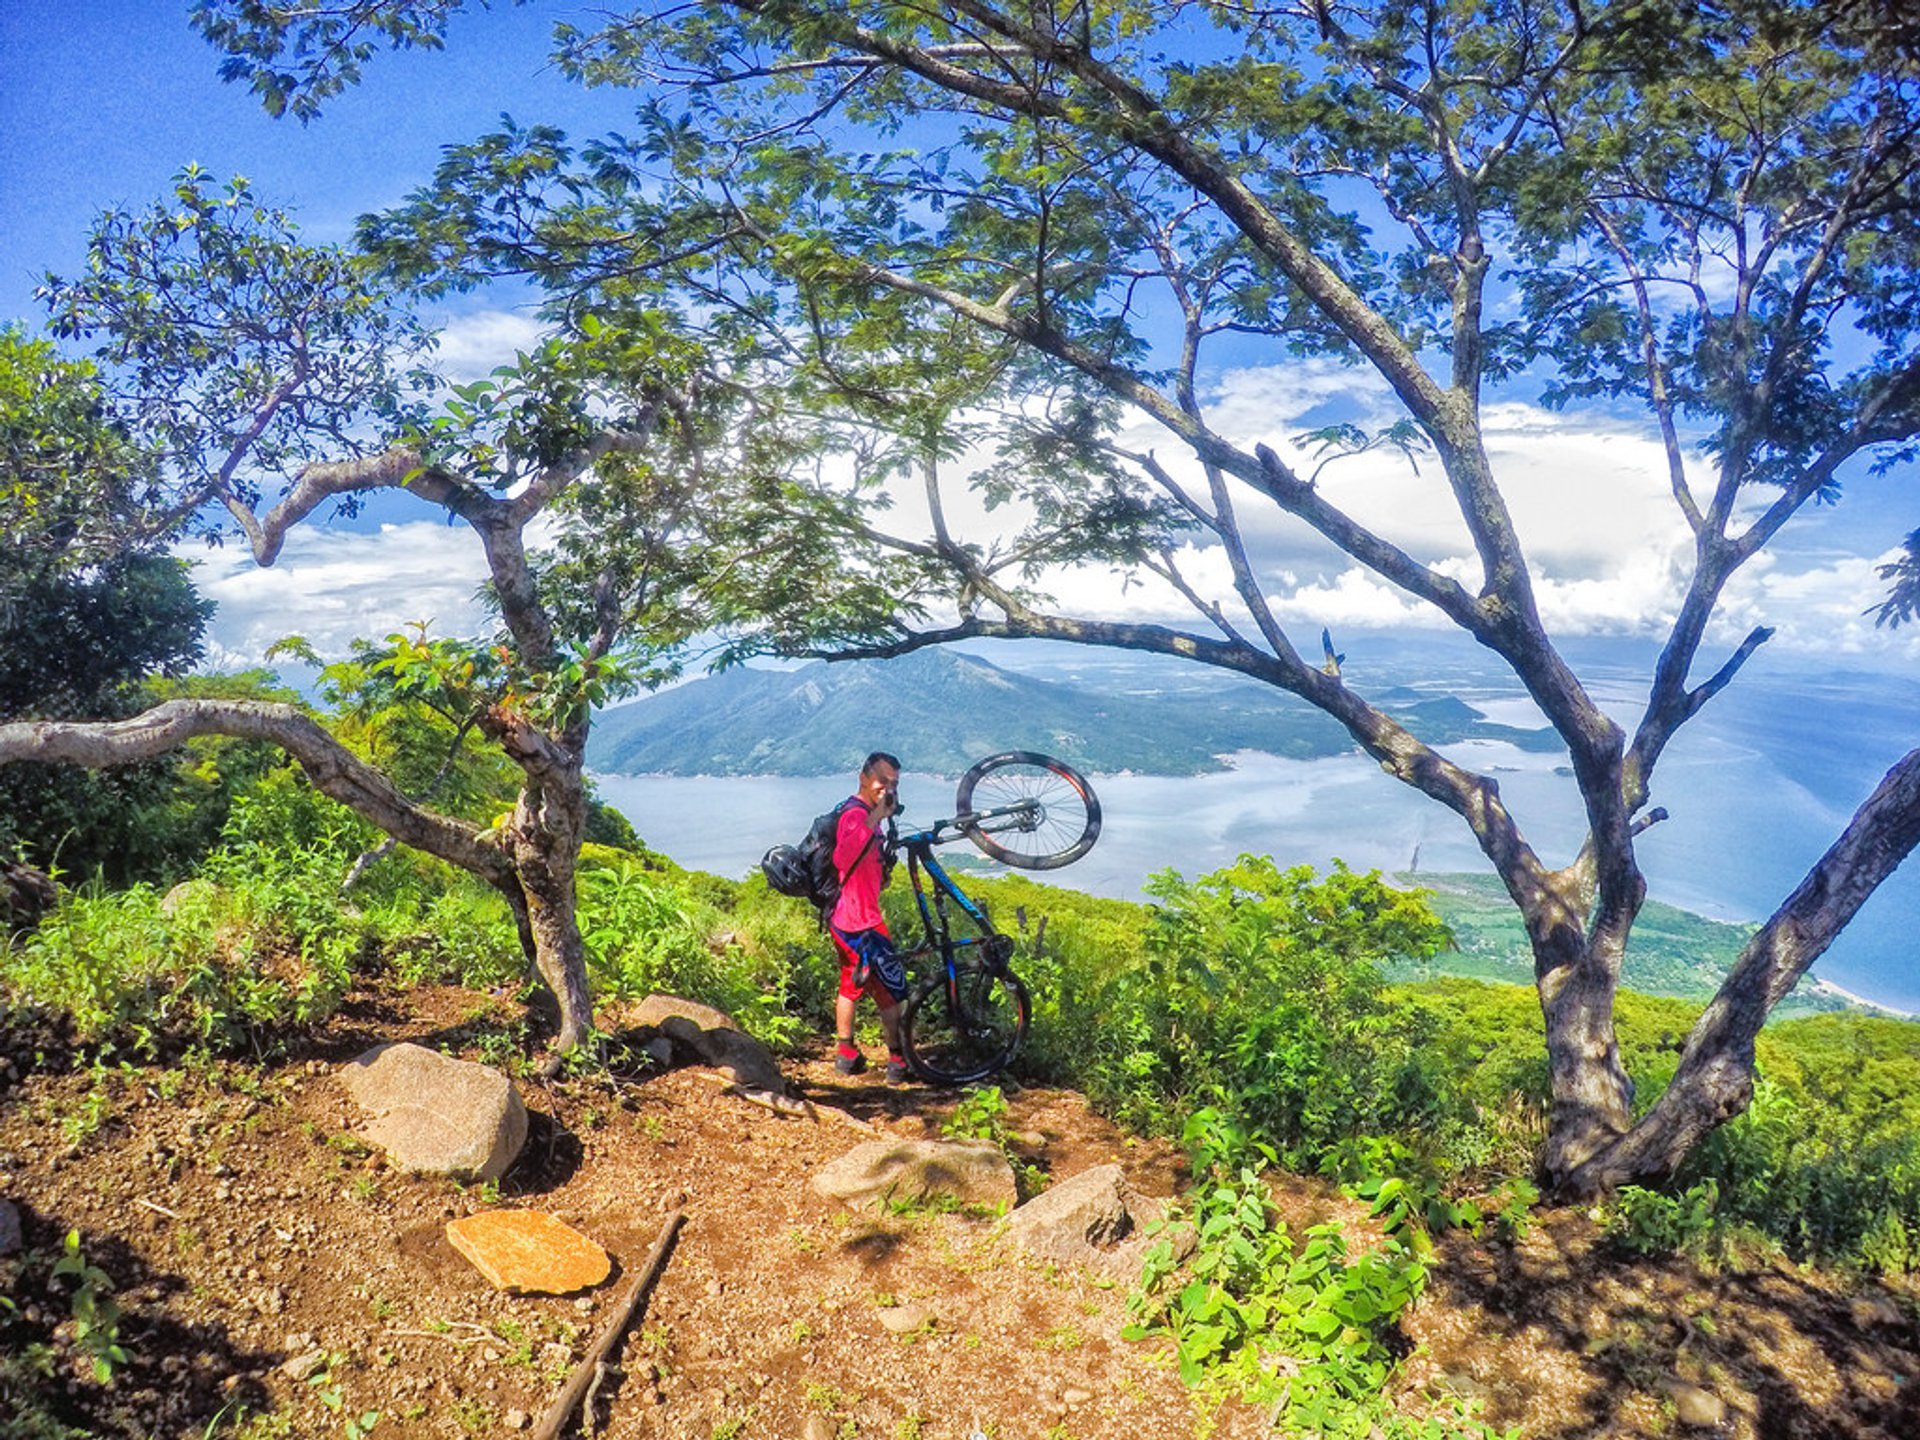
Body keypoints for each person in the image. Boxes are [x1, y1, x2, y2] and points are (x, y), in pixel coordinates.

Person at [827, 751, 909, 1080]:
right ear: (863, 777)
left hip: (843, 918)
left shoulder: (860, 813)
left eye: (894, 784)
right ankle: (898, 1061)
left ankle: (846, 1054)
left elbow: (862, 864)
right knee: (889, 993)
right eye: (881, 781)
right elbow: (844, 856)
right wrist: (876, 816)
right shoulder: (854, 815)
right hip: (863, 923)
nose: (887, 788)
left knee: (850, 985)